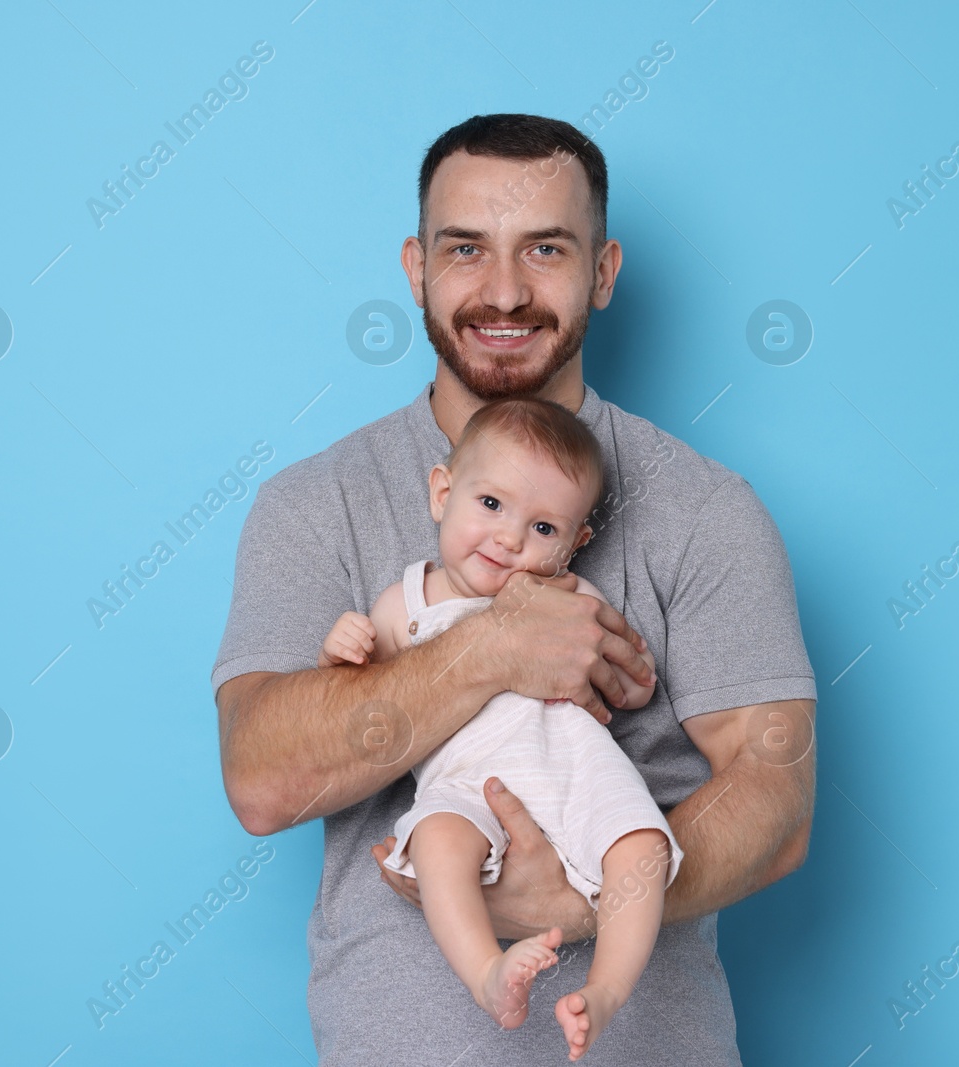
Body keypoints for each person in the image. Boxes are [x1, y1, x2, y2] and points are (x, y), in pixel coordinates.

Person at [213, 112, 817, 1065]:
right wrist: (491, 646)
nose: (504, 291)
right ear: (416, 268)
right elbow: (259, 775)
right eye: (466, 250)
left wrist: (580, 900)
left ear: (604, 272)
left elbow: (776, 800)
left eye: (544, 249)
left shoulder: (706, 508)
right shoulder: (313, 504)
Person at [319, 396, 684, 1058]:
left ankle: (604, 989)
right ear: (442, 491)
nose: (511, 537)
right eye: (491, 505)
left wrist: (633, 678)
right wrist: (342, 649)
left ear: (577, 544)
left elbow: (626, 676)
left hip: (572, 763)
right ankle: (486, 970)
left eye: (543, 527)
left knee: (642, 848)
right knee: (435, 838)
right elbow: (363, 704)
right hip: (468, 777)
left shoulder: (570, 596)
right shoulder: (404, 603)